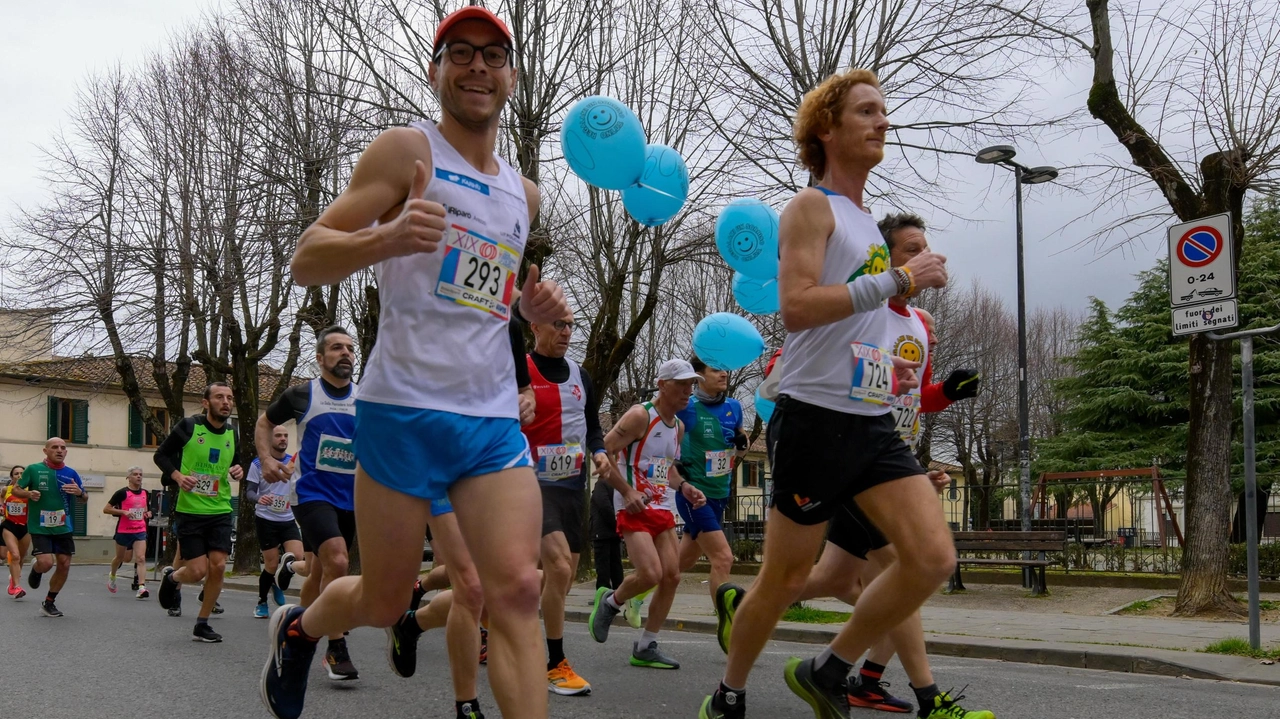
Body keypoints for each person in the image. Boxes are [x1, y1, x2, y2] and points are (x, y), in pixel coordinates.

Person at [259, 6, 568, 719]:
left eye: (494, 56)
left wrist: (530, 307)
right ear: (436, 73)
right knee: (384, 596)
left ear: (513, 77)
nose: (478, 68)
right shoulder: (407, 152)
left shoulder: (526, 194)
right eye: (460, 53)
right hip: (401, 410)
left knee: (515, 589)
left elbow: (482, 291)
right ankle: (299, 626)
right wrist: (387, 236)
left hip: (488, 420)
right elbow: (308, 257)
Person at [699, 68, 958, 719]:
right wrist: (898, 274)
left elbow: (871, 329)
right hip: (815, 420)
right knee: (785, 578)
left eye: (884, 111)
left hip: (872, 427)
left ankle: (830, 668)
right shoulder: (810, 208)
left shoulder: (868, 224)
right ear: (826, 128)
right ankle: (729, 692)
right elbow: (797, 307)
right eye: (867, 111)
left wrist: (909, 319)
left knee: (931, 557)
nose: (882, 121)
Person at [589, 359, 708, 670]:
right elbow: (605, 450)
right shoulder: (641, 415)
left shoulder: (678, 426)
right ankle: (611, 602)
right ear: (662, 385)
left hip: (661, 504)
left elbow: (666, 468)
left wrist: (684, 487)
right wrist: (626, 491)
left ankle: (646, 645)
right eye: (681, 384)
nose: (688, 390)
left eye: (691, 384)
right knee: (650, 574)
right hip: (633, 505)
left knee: (672, 575)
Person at [256, 326, 360, 680]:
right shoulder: (303, 394)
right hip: (312, 494)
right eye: (336, 348)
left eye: (349, 347)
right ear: (320, 358)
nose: (345, 353)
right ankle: (335, 646)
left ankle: (295, 626)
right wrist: (268, 460)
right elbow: (263, 422)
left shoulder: (366, 398)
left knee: (320, 571)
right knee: (338, 560)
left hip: (351, 497)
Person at [522, 309, 609, 695]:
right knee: (557, 566)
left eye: (571, 324)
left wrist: (599, 451)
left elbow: (592, 425)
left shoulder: (580, 375)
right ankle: (555, 663)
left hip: (572, 483)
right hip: (530, 482)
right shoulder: (519, 370)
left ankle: (496, 598)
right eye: (558, 324)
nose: (566, 331)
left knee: (565, 574)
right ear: (535, 327)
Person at [153, 382, 245, 643]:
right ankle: (172, 577)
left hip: (220, 509)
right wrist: (178, 476)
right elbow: (161, 455)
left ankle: (202, 623)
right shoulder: (189, 427)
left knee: (217, 566)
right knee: (196, 572)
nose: (226, 402)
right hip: (190, 510)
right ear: (206, 402)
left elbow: (235, 462)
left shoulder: (232, 433)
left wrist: (238, 469)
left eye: (229, 397)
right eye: (219, 397)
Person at [675, 355, 748, 651]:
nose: (724, 374)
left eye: (725, 368)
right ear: (699, 375)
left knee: (684, 561)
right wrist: (677, 469)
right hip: (693, 495)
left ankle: (634, 594)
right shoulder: (687, 409)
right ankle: (727, 624)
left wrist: (741, 448)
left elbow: (736, 451)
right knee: (723, 558)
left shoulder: (734, 408)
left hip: (719, 494)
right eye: (716, 369)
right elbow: (669, 444)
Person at [13, 438, 87, 617]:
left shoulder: (71, 473)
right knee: (47, 563)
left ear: (66, 452)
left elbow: (84, 498)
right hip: (40, 525)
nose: (59, 450)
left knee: (64, 564)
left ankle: (49, 602)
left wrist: (80, 493)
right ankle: (37, 568)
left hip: (63, 525)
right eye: (55, 447)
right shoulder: (33, 469)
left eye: (63, 448)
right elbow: (16, 490)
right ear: (45, 451)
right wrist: (29, 493)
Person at [246, 424, 307, 618]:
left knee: (298, 555)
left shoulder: (293, 463)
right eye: (278, 435)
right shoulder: (258, 464)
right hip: (266, 518)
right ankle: (262, 602)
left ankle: (281, 575)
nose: (283, 439)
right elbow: (249, 491)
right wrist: (259, 498)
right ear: (270, 439)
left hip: (288, 518)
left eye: (285, 436)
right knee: (271, 565)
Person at [104, 466, 152, 599]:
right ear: (128, 477)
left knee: (141, 558)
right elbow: (106, 509)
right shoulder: (122, 493)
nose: (138, 476)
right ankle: (112, 575)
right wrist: (123, 512)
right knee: (122, 558)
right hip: (124, 530)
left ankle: (142, 587)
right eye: (135, 474)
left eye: (140, 474)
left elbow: (145, 508)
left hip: (140, 530)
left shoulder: (145, 493)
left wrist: (148, 513)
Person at [3, 466, 31, 599]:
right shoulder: (6, 490)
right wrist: (1, 507)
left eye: (22, 473)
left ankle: (13, 580)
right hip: (9, 525)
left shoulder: (29, 491)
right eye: (16, 473)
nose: (19, 475)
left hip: (25, 527)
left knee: (21, 557)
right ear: (12, 477)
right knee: (15, 555)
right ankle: (17, 587)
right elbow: (1, 498)